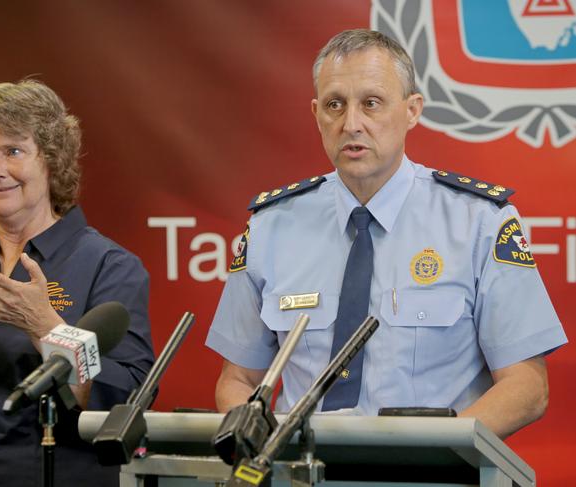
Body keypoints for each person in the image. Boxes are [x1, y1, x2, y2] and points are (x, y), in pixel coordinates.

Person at [206, 29, 567, 439]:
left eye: (371, 103)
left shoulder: (480, 222)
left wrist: (430, 450)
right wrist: (265, 445)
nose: (351, 124)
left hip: (430, 475)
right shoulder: (270, 227)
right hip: (301, 470)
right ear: (315, 113)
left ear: (412, 110)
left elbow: (527, 387)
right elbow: (237, 380)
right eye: (334, 105)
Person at [0, 80, 155, 486]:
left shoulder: (110, 266)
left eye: (13, 151)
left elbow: (124, 399)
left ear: (51, 158)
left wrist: (48, 330)